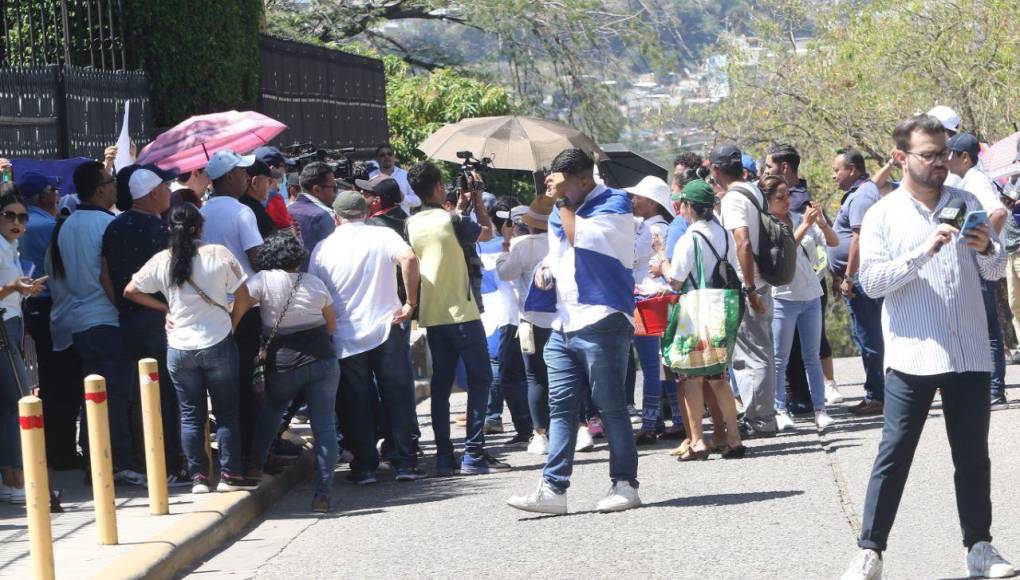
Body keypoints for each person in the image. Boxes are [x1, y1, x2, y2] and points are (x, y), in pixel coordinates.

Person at [841, 114, 1014, 580]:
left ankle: (979, 547)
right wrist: (925, 249)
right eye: (929, 155)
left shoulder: (966, 199)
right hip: (912, 353)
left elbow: (995, 273)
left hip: (968, 352)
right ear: (901, 157)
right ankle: (870, 551)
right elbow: (872, 283)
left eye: (943, 154)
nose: (940, 163)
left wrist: (986, 249)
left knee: (973, 456)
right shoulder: (881, 213)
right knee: (894, 453)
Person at [506, 148, 640, 515]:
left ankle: (625, 484)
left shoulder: (614, 203)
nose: (552, 187)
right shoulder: (560, 210)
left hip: (603, 318)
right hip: (565, 321)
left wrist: (563, 202)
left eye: (560, 180)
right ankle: (553, 490)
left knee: (610, 406)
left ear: (584, 180)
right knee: (560, 406)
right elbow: (561, 249)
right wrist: (544, 268)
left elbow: (582, 238)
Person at [125, 203, 258, 494]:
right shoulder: (220, 255)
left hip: (179, 347)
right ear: (200, 227)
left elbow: (130, 291)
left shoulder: (161, 260)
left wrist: (165, 308)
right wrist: (231, 324)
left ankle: (198, 477)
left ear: (169, 229)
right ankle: (229, 474)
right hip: (219, 341)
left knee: (190, 414)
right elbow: (245, 298)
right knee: (226, 412)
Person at [309, 190, 422, 485]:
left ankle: (365, 465)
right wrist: (410, 302)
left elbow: (316, 293)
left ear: (336, 217)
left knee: (355, 400)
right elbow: (409, 257)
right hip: (387, 325)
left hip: (345, 334)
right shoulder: (381, 236)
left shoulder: (322, 248)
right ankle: (403, 461)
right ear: (367, 213)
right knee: (397, 395)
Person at [406, 160, 507, 476]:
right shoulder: (455, 220)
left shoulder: (411, 223)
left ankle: (443, 457)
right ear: (439, 187)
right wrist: (478, 199)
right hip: (462, 313)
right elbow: (487, 232)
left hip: (433, 316)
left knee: (440, 387)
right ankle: (473, 453)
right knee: (481, 380)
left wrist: (463, 203)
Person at [231, 233, 340, 512]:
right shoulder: (315, 284)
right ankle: (323, 494)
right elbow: (330, 327)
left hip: (283, 364)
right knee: (325, 425)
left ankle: (255, 467)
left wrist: (229, 331)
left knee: (271, 411)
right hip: (323, 361)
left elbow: (239, 306)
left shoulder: (262, 280)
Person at [58, 161, 145, 486]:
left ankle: (94, 460)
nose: (114, 187)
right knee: (117, 397)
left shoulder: (67, 225)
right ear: (99, 190)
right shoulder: (108, 225)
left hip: (81, 322)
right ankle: (119, 462)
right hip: (108, 320)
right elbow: (109, 275)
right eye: (110, 181)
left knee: (91, 397)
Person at [102, 165, 187, 485]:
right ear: (152, 193)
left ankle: (146, 459)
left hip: (127, 321)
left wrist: (123, 306)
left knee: (139, 396)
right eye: (165, 187)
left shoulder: (114, 227)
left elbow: (105, 276)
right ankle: (171, 464)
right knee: (167, 394)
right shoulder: (160, 231)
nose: (169, 191)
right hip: (160, 321)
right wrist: (166, 308)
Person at [664, 179, 744, 459]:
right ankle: (733, 439)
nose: (680, 209)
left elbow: (675, 281)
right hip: (722, 308)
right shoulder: (723, 234)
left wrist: (662, 262)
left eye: (682, 204)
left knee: (690, 378)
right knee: (719, 376)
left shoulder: (690, 237)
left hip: (696, 311)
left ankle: (698, 440)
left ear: (689, 207)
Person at [763, 144, 843, 407]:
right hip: (783, 296)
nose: (788, 202)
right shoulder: (767, 225)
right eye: (781, 198)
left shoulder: (801, 216)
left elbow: (832, 241)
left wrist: (819, 223)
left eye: (789, 196)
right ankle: (781, 405)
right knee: (781, 355)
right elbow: (784, 250)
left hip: (810, 292)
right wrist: (807, 225)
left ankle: (817, 404)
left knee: (811, 351)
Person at [200, 150, 265, 464]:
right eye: (241, 172)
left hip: (211, 308)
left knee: (221, 384)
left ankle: (230, 455)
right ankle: (251, 454)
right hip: (246, 305)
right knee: (247, 378)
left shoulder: (200, 211)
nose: (245, 178)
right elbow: (257, 257)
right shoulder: (242, 212)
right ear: (227, 177)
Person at [713, 143, 778, 438]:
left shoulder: (732, 200)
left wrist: (748, 287)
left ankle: (760, 419)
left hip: (749, 283)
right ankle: (761, 415)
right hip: (760, 279)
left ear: (715, 170)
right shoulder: (753, 189)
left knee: (754, 355)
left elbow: (743, 242)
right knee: (758, 351)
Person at [17, 172, 79, 469]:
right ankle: (61, 450)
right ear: (43, 196)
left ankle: (58, 448)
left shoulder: (25, 223)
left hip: (34, 306)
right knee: (60, 381)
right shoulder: (46, 225)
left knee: (50, 378)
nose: (57, 194)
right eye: (54, 189)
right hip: (49, 302)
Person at [945, 132, 1009, 410]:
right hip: (978, 262)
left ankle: (996, 391)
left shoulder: (975, 180)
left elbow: (998, 212)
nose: (946, 160)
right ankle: (987, 388)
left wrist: (983, 244)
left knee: (989, 329)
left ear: (964, 157)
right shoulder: (964, 181)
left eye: (950, 154)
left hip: (983, 263)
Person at [495, 198, 555, 454]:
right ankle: (577, 426)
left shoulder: (521, 245)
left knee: (535, 377)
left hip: (530, 318)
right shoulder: (560, 242)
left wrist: (505, 247)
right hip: (561, 318)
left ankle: (540, 433)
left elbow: (505, 273)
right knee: (566, 375)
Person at [830, 147, 885, 416]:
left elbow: (858, 239)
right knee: (864, 337)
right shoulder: (860, 192)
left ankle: (877, 396)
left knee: (869, 338)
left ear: (852, 169)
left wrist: (849, 277)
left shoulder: (862, 196)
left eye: (836, 170)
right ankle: (874, 393)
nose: (833, 175)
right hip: (857, 280)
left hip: (861, 281)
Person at [0, 189, 46, 504]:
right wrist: (13, 287)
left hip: (13, 324)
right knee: (18, 399)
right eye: (10, 216)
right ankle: (13, 477)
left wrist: (22, 290)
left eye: (23, 217)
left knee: (9, 403)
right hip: (3, 327)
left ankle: (13, 476)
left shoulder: (12, 247)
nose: (17, 222)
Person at [625, 175, 674, 444]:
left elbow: (631, 258)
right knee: (665, 361)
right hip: (662, 298)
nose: (634, 201)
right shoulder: (667, 227)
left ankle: (650, 421)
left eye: (639, 197)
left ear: (653, 203)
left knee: (651, 363)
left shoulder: (648, 230)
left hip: (646, 299)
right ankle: (676, 418)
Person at [481, 196, 533, 444]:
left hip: (505, 318)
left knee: (510, 374)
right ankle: (534, 425)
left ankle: (525, 428)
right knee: (528, 374)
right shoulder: (529, 243)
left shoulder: (490, 248)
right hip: (524, 316)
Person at [288, 162, 336, 270]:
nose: (335, 193)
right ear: (317, 190)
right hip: (318, 282)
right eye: (333, 187)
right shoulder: (325, 215)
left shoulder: (287, 210)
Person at [253, 146, 296, 230]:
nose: (285, 171)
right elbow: (287, 230)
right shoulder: (273, 198)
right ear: (272, 169)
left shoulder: (244, 197)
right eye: (284, 166)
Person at [370, 144, 420, 215]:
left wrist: (403, 198)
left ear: (394, 157)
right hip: (378, 221)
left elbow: (418, 201)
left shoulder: (406, 175)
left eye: (389, 154)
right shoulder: (371, 176)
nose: (386, 157)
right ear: (377, 159)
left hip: (401, 221)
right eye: (382, 155)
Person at [239, 160, 281, 238]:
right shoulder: (257, 213)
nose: (272, 184)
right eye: (269, 181)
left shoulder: (239, 206)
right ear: (254, 183)